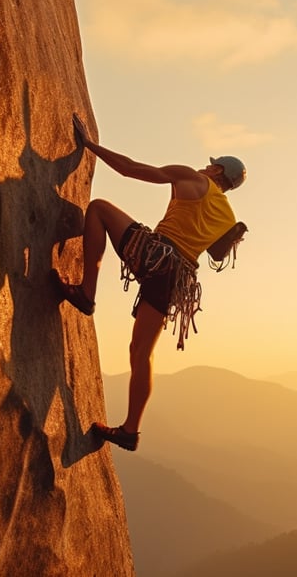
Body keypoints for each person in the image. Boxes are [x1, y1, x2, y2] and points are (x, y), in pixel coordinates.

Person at [54, 114, 247, 451]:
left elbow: (132, 170)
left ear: (217, 172)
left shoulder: (192, 178)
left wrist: (90, 146)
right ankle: (130, 430)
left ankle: (87, 292)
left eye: (211, 165)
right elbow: (216, 255)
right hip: (178, 279)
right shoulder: (227, 215)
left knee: (98, 209)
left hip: (157, 254)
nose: (205, 166)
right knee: (141, 353)